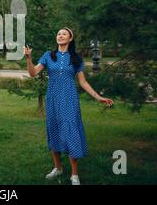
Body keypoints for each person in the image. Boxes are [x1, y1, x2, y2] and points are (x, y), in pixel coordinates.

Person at [23, 27, 113, 185]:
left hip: (69, 100)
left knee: (71, 132)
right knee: (54, 129)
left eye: (64, 34)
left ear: (70, 38)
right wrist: (28, 58)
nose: (60, 36)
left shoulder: (76, 58)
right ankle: (58, 168)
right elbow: (32, 73)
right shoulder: (48, 56)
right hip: (52, 99)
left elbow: (83, 82)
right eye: (58, 33)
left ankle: (74, 174)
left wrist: (98, 97)